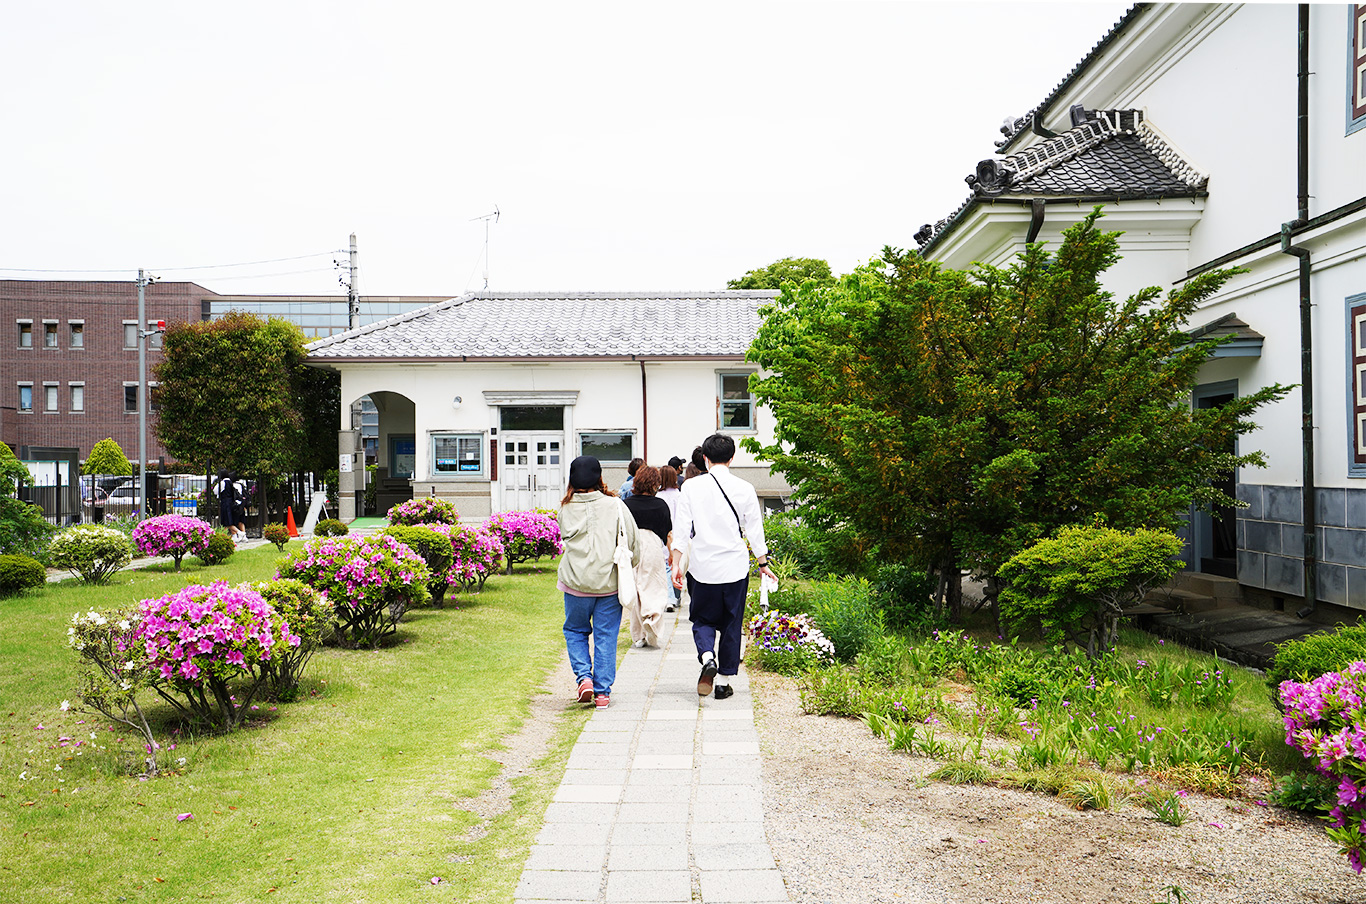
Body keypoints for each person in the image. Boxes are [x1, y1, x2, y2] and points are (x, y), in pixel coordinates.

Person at [670, 434, 775, 700]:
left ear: (705, 458)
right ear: (731, 458)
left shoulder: (691, 488)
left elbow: (681, 530)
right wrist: (762, 563)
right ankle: (723, 683)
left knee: (702, 619)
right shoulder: (745, 488)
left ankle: (707, 657)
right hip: (734, 568)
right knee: (731, 623)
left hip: (703, 568)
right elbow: (754, 529)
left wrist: (676, 563)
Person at [558, 456, 640, 709]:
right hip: (609, 584)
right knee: (606, 636)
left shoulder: (565, 508)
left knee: (575, 630)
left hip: (575, 582)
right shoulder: (616, 505)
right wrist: (630, 566)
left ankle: (584, 678)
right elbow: (633, 543)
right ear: (599, 477)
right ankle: (603, 693)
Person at [623, 464, 671, 647]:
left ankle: (638, 636)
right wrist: (672, 555)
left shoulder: (625, 505)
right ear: (655, 484)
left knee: (635, 589)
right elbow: (668, 533)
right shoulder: (660, 505)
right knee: (655, 586)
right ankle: (652, 617)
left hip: (631, 547)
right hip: (653, 546)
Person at [657, 465, 682, 611]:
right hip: (679, 534)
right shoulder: (679, 496)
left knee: (667, 566)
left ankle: (670, 598)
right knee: (677, 565)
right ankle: (676, 596)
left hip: (664, 534)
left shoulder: (658, 497)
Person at [211, 470, 248, 544]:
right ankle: (235, 537)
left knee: (226, 522)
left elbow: (215, 491)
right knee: (230, 520)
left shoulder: (222, 483)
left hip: (225, 503)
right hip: (232, 503)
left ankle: (240, 533)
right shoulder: (232, 483)